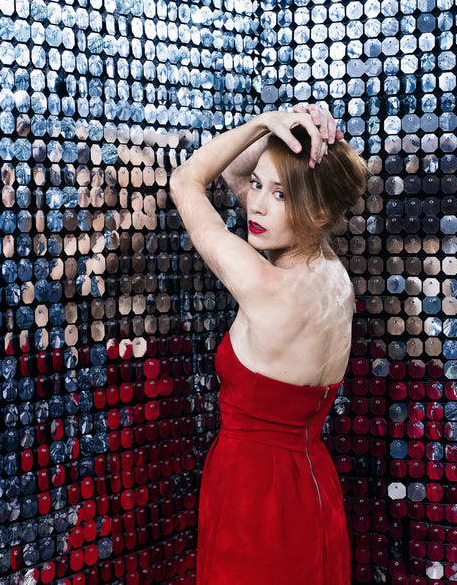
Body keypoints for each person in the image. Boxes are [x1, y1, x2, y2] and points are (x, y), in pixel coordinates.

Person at [169, 104, 369, 584]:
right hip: (312, 489)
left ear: (317, 211)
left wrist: (265, 123)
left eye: (278, 194)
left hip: (253, 499)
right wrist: (289, 135)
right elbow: (242, 175)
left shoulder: (263, 285)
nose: (255, 205)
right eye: (259, 187)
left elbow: (186, 181)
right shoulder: (335, 280)